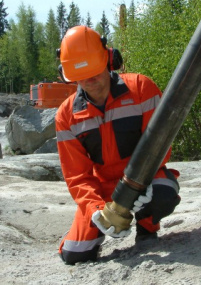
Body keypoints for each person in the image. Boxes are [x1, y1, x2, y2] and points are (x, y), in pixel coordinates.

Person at [55, 25, 181, 265]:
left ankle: (147, 229)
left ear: (110, 60)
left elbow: (160, 149)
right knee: (75, 255)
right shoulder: (66, 116)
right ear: (68, 74)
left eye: (94, 71)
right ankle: (91, 231)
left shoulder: (142, 89)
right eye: (81, 76)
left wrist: (137, 185)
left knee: (163, 193)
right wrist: (95, 211)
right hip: (102, 189)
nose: (90, 81)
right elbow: (77, 177)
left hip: (145, 176)